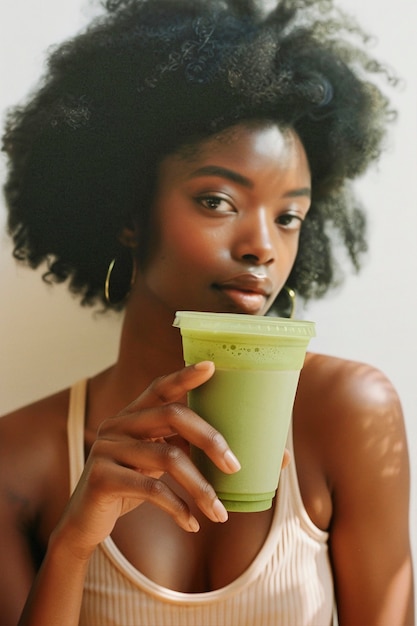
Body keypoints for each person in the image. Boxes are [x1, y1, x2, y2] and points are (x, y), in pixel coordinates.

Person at [0, 0, 414, 624]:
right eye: (218, 200)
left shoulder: (345, 412)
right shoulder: (20, 460)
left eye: (289, 217)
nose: (263, 247)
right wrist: (73, 544)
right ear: (127, 215)